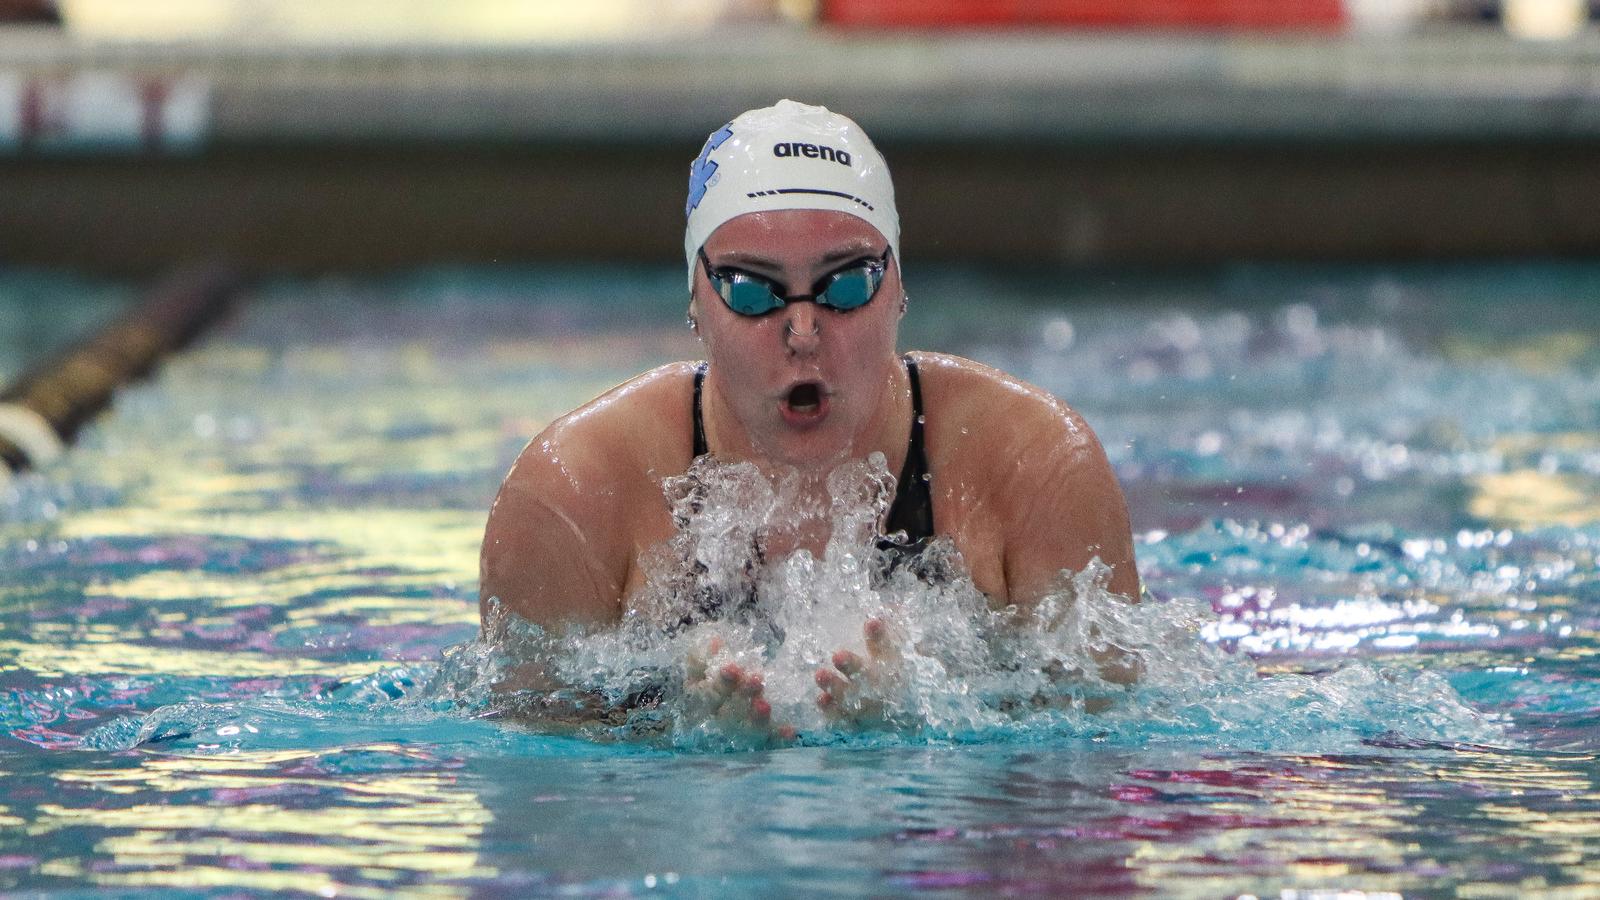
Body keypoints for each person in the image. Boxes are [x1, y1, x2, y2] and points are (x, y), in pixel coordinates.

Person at [480, 100, 1138, 733]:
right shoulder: (574, 493)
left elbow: (1106, 747)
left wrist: (927, 723)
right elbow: (538, 782)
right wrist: (666, 733)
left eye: (845, 283)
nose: (801, 329)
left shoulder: (1033, 465)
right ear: (696, 299)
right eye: (751, 288)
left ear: (900, 288)